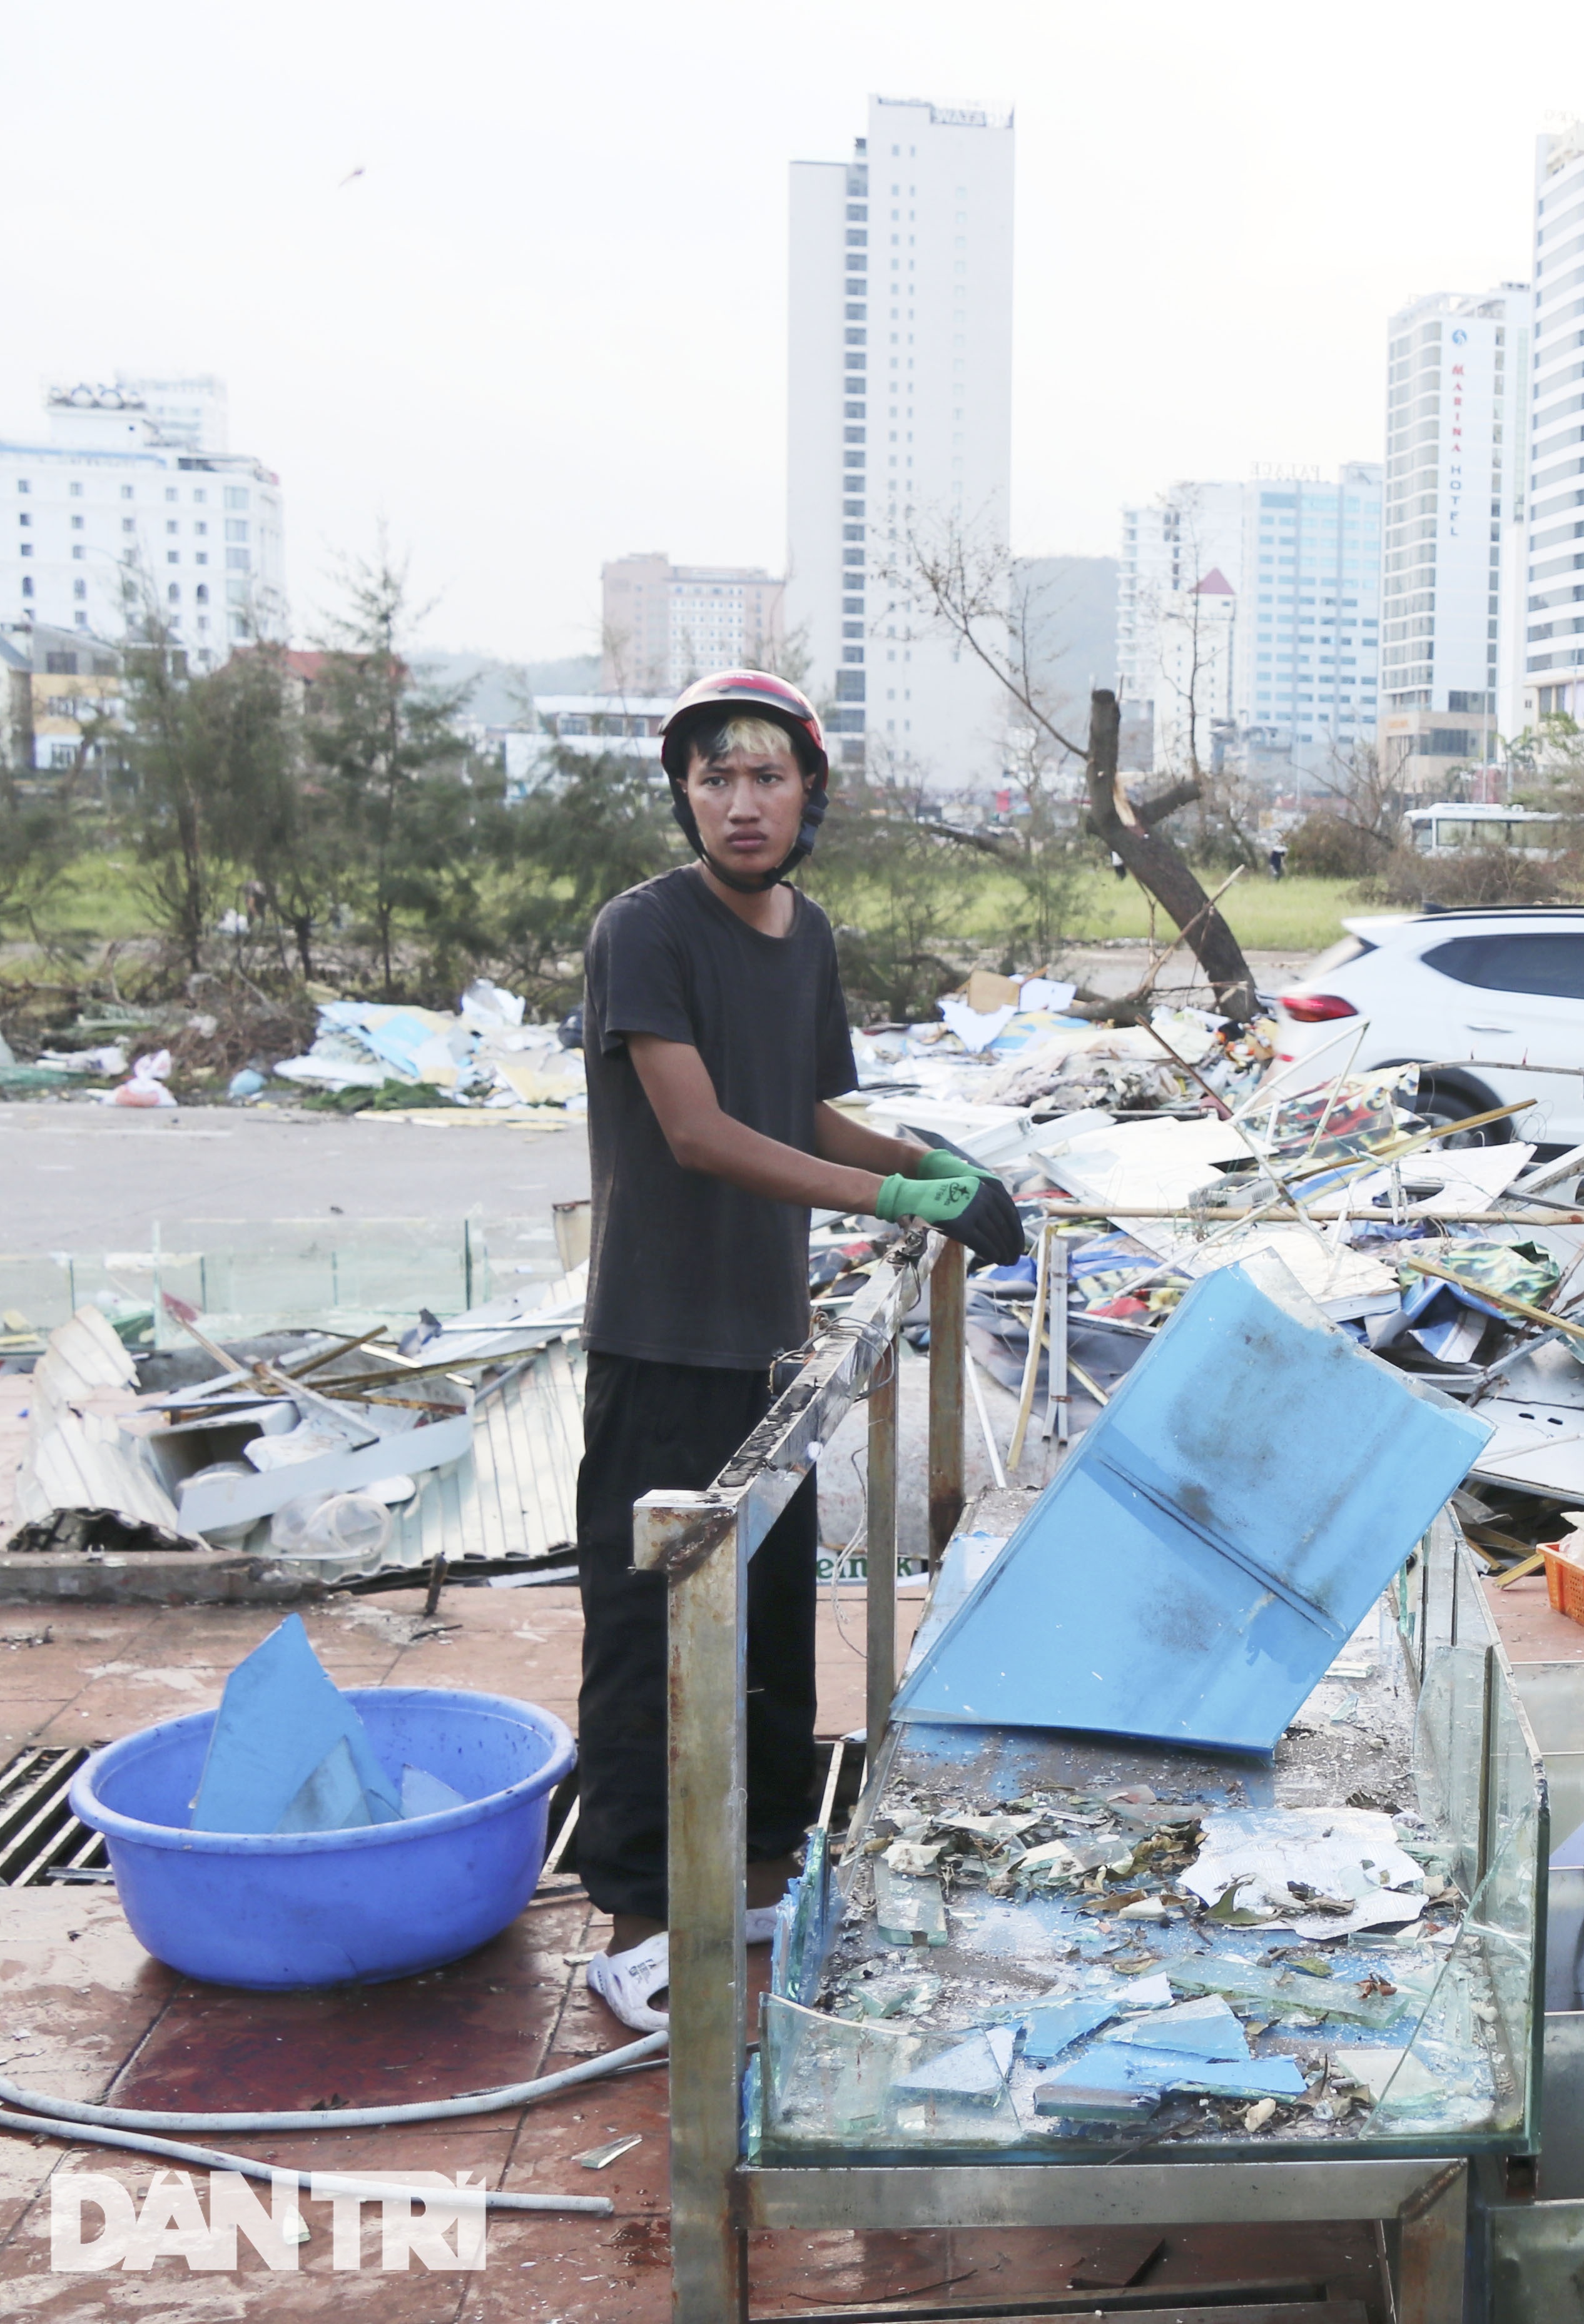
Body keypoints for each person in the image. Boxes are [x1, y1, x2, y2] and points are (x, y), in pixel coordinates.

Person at [575, 670, 1023, 2034]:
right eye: (715, 778)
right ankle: (640, 1919)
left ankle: (764, 1871)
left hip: (767, 1343)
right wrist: (898, 1203)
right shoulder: (643, 933)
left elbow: (804, 1111)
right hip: (661, 1339)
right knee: (649, 1632)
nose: (741, 801)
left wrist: (932, 1158)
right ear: (686, 796)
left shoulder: (804, 933)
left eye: (767, 776)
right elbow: (702, 1129)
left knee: (770, 1621)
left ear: (809, 791)